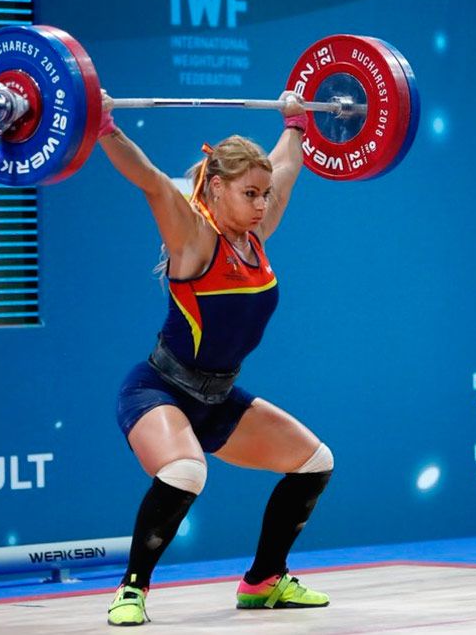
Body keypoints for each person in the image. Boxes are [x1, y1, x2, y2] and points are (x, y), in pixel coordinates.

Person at [96, 90, 334, 627]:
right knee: (185, 471)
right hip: (159, 390)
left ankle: (264, 581)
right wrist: (104, 125)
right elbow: (152, 181)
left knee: (313, 463)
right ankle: (132, 590)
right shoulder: (195, 238)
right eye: (250, 193)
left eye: (264, 194)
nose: (261, 204)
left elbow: (288, 165)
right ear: (218, 187)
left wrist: (296, 121)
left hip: (219, 397)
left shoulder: (257, 234)